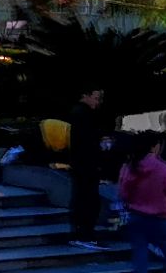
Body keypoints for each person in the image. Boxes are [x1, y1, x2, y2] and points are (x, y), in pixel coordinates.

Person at [117, 132, 166, 273]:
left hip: (136, 216)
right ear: (154, 146)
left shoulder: (131, 166)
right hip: (160, 218)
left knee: (140, 255)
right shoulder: (162, 167)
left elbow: (123, 193)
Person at [67, 85, 110, 251]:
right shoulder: (82, 114)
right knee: (87, 200)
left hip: (84, 165)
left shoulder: (80, 114)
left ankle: (82, 234)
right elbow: (86, 141)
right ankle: (84, 235)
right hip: (86, 165)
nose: (97, 102)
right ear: (86, 96)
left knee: (85, 198)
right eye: (96, 98)